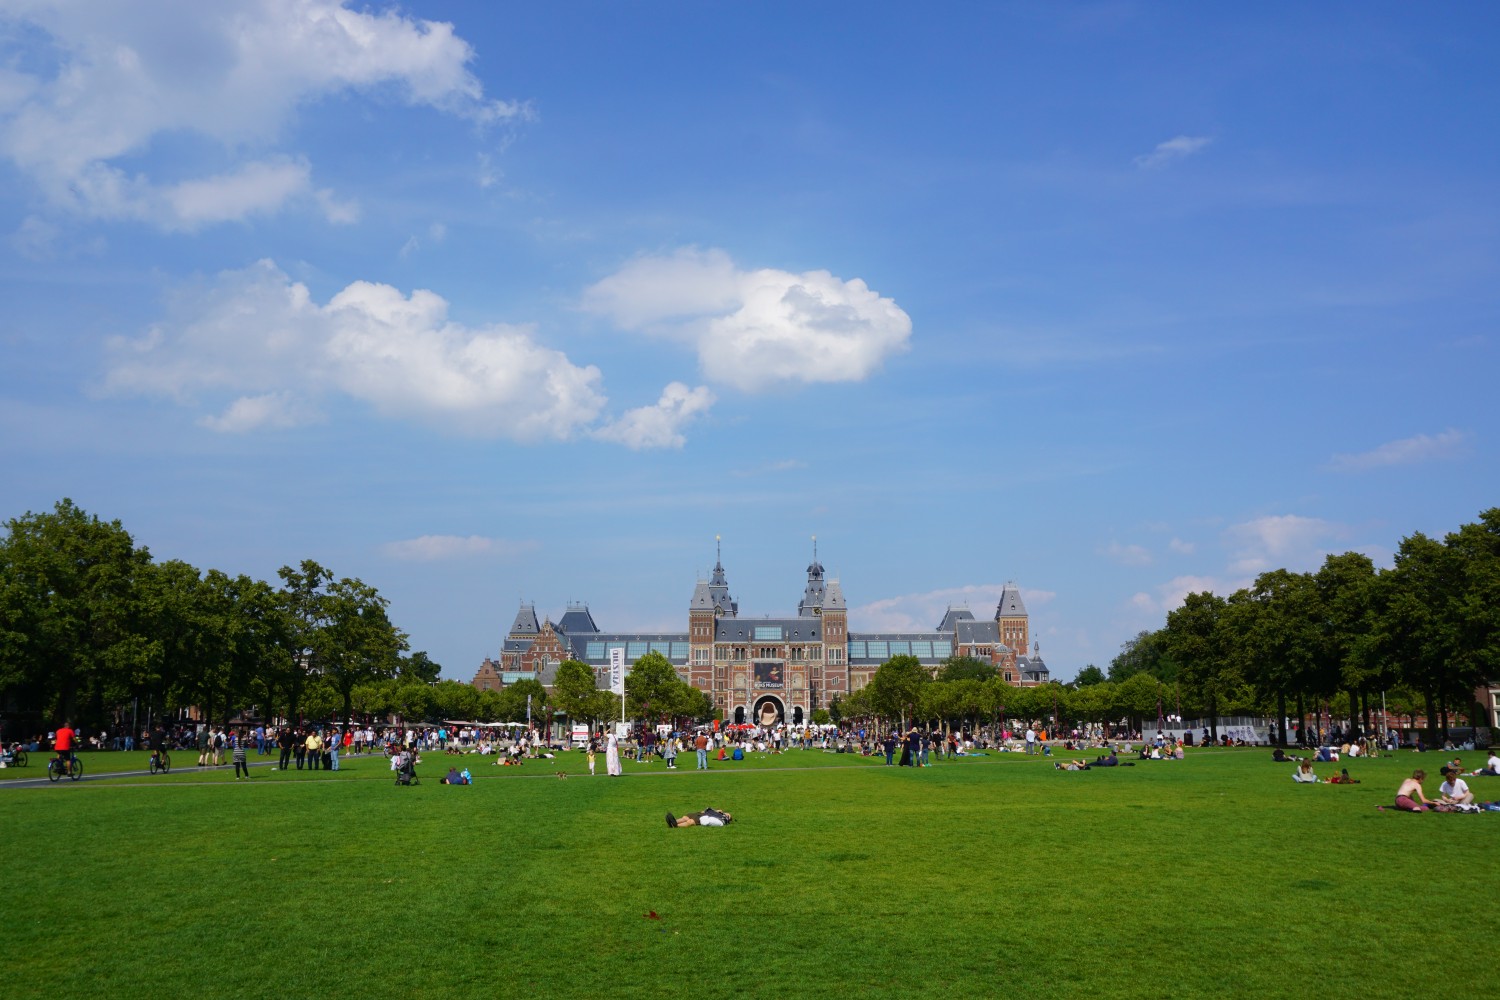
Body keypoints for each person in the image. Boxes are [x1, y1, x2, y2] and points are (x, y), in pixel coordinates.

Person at [665, 807, 733, 828]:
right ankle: (674, 821)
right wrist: (718, 811)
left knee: (690, 822)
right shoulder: (718, 811)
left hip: (705, 817)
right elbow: (704, 811)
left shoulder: (723, 817)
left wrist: (727, 814)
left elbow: (729, 817)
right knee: (685, 817)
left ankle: (676, 825)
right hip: (700, 814)